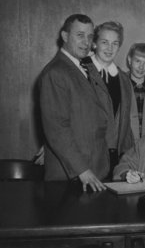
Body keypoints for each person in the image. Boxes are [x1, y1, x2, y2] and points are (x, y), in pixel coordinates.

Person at [39, 14, 109, 192]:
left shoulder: (82, 66)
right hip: (72, 176)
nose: (86, 42)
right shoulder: (56, 72)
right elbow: (57, 128)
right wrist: (83, 170)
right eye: (80, 35)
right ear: (64, 36)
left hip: (92, 170)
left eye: (90, 36)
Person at [81, 21, 134, 177]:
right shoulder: (81, 70)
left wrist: (128, 159)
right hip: (87, 158)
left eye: (115, 43)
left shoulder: (123, 79)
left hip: (115, 159)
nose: (110, 48)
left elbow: (124, 123)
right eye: (104, 42)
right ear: (94, 44)